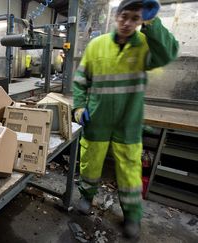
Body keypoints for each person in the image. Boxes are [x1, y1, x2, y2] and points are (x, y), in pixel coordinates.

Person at [72, 0, 178, 239]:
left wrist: (153, 22)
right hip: (97, 118)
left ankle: (132, 215)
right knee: (90, 162)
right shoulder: (96, 46)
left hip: (128, 120)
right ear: (116, 16)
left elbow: (168, 53)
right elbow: (81, 80)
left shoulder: (144, 45)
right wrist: (78, 108)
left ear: (141, 21)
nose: (128, 23)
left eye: (135, 18)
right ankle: (86, 198)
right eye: (124, 16)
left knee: (130, 170)